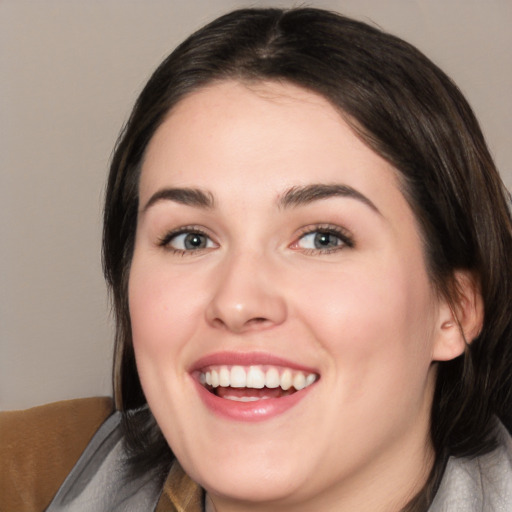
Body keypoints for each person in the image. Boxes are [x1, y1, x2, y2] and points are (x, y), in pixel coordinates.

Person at [2, 7, 511, 512]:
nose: (238, 302)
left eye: (322, 239)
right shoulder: (29, 473)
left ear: (455, 307)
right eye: (191, 239)